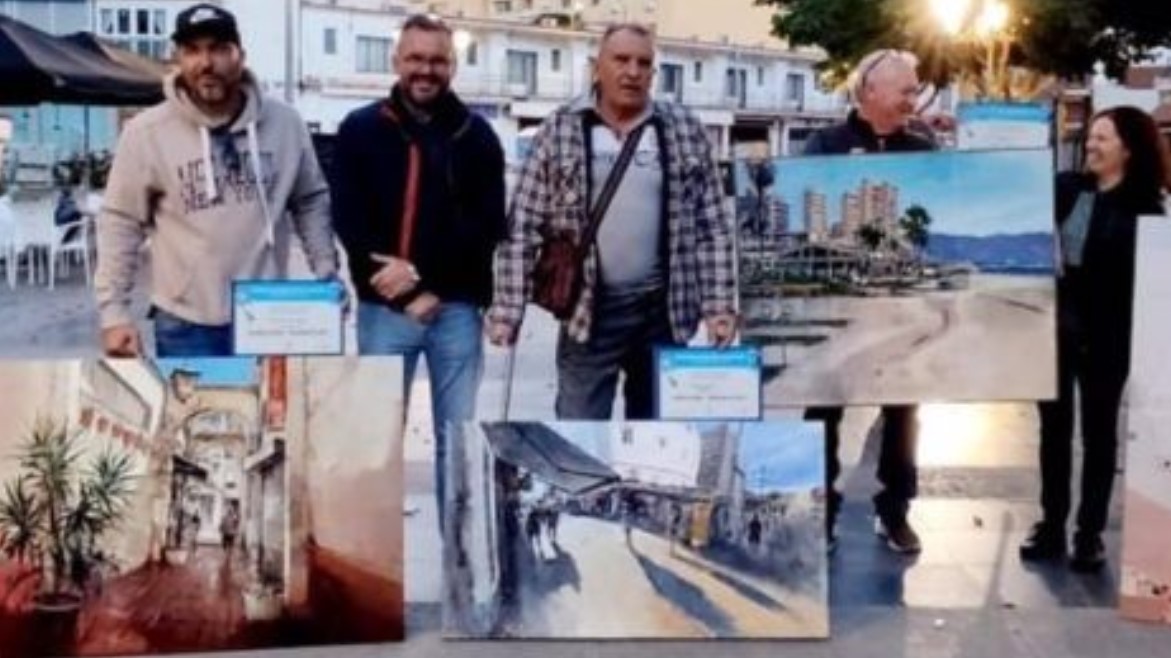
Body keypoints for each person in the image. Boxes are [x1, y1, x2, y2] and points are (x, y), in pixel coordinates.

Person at [489, 24, 738, 420]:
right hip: (589, 313)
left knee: (660, 439)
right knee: (580, 435)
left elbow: (712, 226)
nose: (633, 71)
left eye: (644, 63)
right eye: (621, 60)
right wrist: (507, 310)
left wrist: (720, 305)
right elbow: (522, 225)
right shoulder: (561, 128)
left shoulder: (683, 128)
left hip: (664, 311)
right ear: (597, 67)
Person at [331, 13, 504, 518]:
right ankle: (380, 562)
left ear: (452, 65)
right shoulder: (361, 129)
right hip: (383, 313)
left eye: (436, 60)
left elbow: (486, 224)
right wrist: (404, 291)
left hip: (456, 313)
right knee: (378, 444)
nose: (425, 70)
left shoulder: (478, 137)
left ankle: (459, 560)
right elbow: (350, 220)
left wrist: (423, 277)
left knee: (459, 444)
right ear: (396, 61)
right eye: (415, 59)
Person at [95, 3, 339, 357]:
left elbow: (311, 199)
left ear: (240, 55)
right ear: (177, 58)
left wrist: (326, 270)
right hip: (185, 321)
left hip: (270, 316)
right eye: (192, 50)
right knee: (194, 414)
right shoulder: (146, 133)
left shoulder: (286, 124)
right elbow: (120, 220)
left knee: (269, 413)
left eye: (218, 49)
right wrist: (113, 312)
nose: (206, 63)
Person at [1019, 106, 1170, 573]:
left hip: (1109, 334)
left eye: (1103, 137)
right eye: (1091, 137)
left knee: (1100, 436)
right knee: (1054, 432)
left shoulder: (1146, 207)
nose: (1092, 145)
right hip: (1056, 330)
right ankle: (1051, 523)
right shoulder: (1068, 189)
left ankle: (1089, 533)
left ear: (1128, 146)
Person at [800, 49, 936, 555]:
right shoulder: (824, 145)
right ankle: (822, 511)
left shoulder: (924, 148)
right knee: (824, 410)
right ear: (870, 91)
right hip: (839, 305)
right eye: (905, 90)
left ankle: (894, 509)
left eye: (914, 89)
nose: (912, 99)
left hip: (901, 310)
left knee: (904, 412)